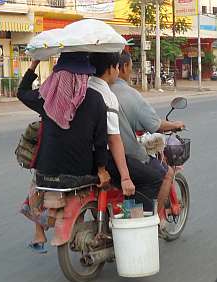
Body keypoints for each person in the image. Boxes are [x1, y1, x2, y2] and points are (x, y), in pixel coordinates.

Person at [17, 52, 110, 253]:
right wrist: (102, 169)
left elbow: (22, 92)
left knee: (38, 180)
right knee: (105, 181)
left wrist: (34, 64)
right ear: (84, 76)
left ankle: (38, 230)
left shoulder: (46, 98)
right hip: (79, 172)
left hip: (46, 173)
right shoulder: (95, 99)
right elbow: (101, 141)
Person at [110, 50, 185, 224]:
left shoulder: (100, 89)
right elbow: (155, 124)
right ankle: (152, 222)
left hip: (101, 156)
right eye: (130, 66)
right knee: (166, 174)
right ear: (123, 67)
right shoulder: (129, 94)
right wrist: (175, 124)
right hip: (124, 156)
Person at [89, 52, 163, 210]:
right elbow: (113, 140)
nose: (117, 71)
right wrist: (125, 178)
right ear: (111, 69)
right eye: (116, 67)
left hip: (83, 156)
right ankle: (134, 222)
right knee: (154, 178)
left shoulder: (85, 87)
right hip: (104, 158)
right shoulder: (107, 95)